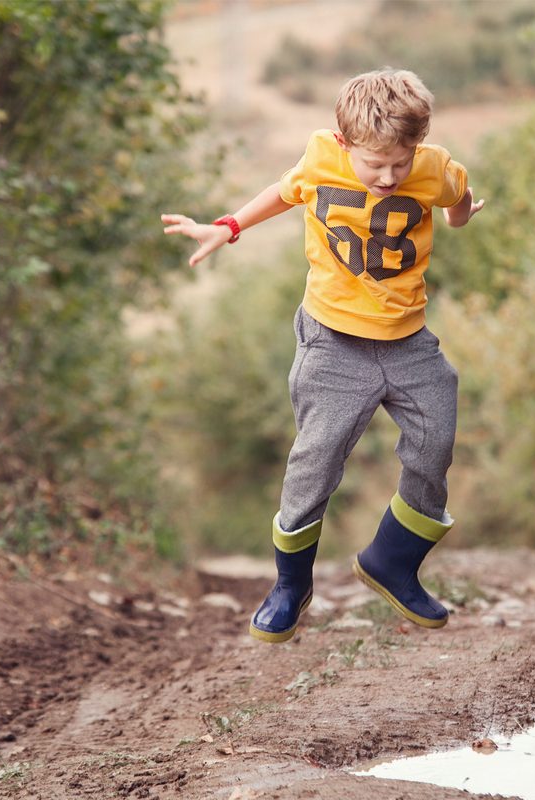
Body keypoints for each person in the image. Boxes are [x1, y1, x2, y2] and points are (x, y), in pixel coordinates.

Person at [161, 68, 485, 643]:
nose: (388, 177)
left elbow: (456, 196)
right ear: (344, 143)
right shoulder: (320, 157)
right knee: (317, 461)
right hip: (333, 343)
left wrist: (460, 215)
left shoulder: (433, 167)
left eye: (399, 163)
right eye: (373, 164)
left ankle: (393, 561)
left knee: (436, 443)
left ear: (418, 146)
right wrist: (228, 225)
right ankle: (290, 585)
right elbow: (284, 192)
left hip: (409, 343)